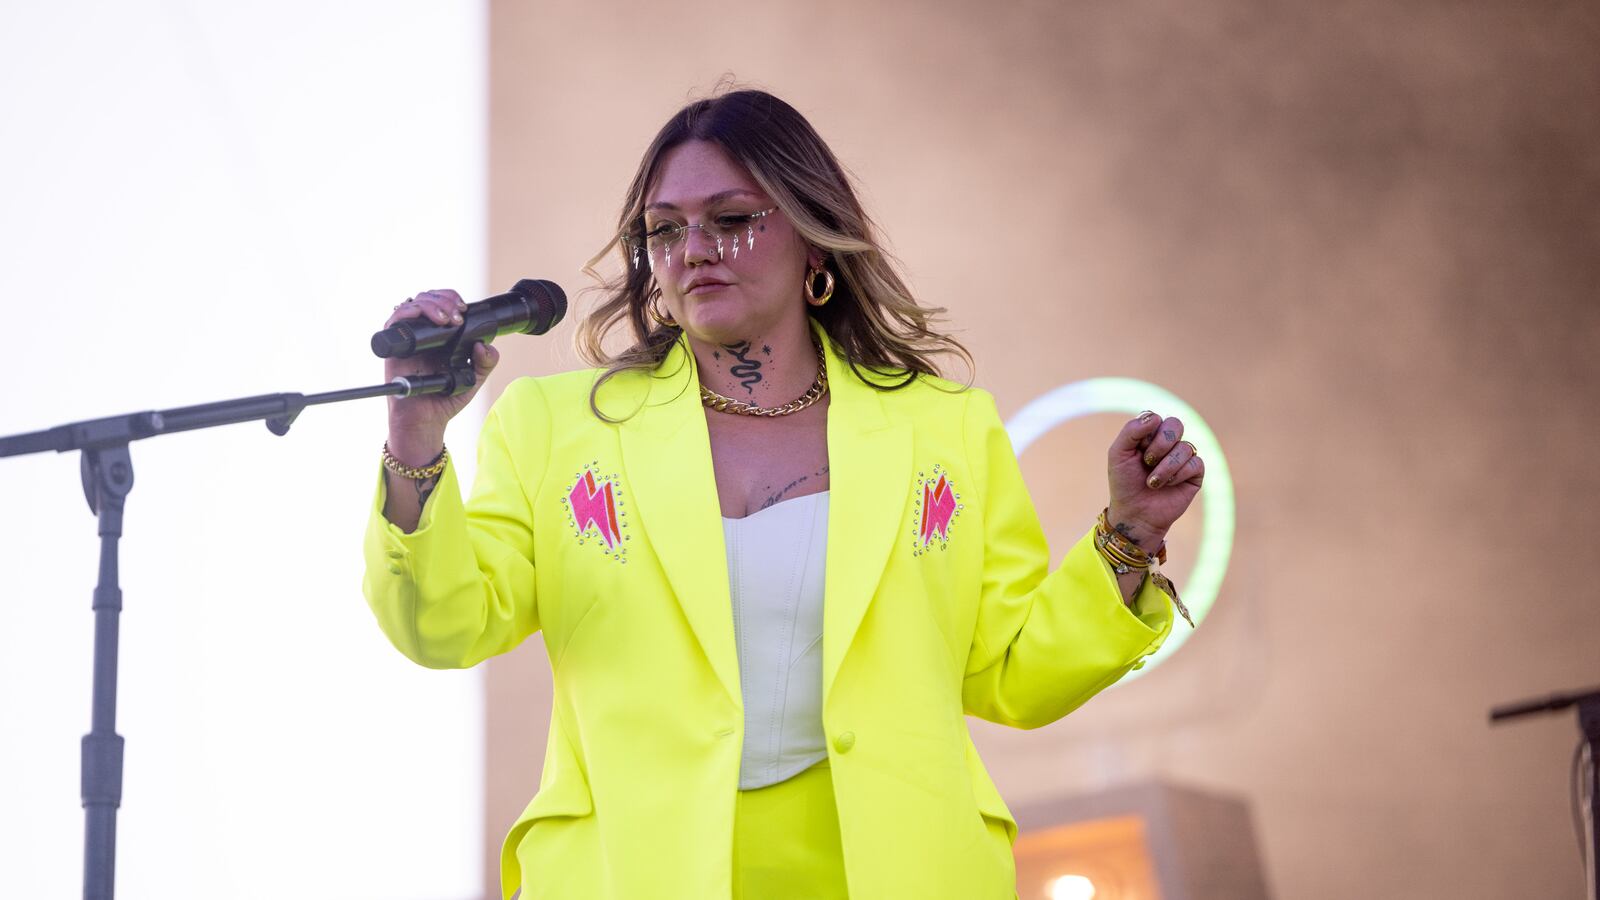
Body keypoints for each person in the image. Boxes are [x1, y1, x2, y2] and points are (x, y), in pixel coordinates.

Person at [363, 89, 1204, 900]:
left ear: (813, 237)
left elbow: (1012, 674)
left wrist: (1128, 534)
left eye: (730, 219)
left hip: (897, 872)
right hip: (634, 872)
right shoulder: (554, 427)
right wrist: (416, 438)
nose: (692, 249)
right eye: (663, 230)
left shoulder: (942, 429)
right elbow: (444, 624)